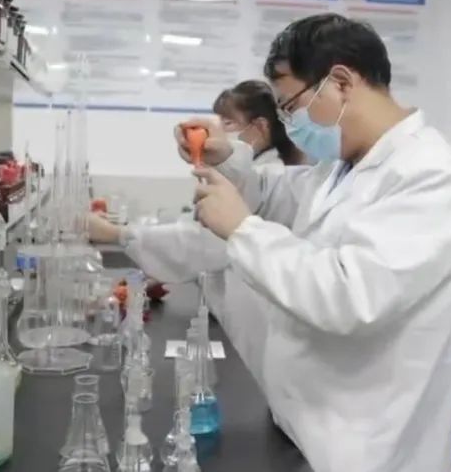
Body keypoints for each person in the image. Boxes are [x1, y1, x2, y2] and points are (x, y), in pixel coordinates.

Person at [175, 14, 451, 472]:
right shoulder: (343, 165)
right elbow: (276, 194)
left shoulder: (431, 175)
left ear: (340, 82)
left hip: (367, 445)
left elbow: (349, 296)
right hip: (307, 426)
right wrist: (230, 159)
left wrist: (242, 230)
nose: (289, 124)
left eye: (290, 106)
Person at [87, 80, 308, 385]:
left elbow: (211, 244)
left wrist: (115, 233)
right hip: (239, 322)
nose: (216, 130)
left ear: (259, 128)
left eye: (227, 122)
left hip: (258, 335)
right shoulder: (254, 175)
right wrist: (160, 270)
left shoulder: (276, 175)